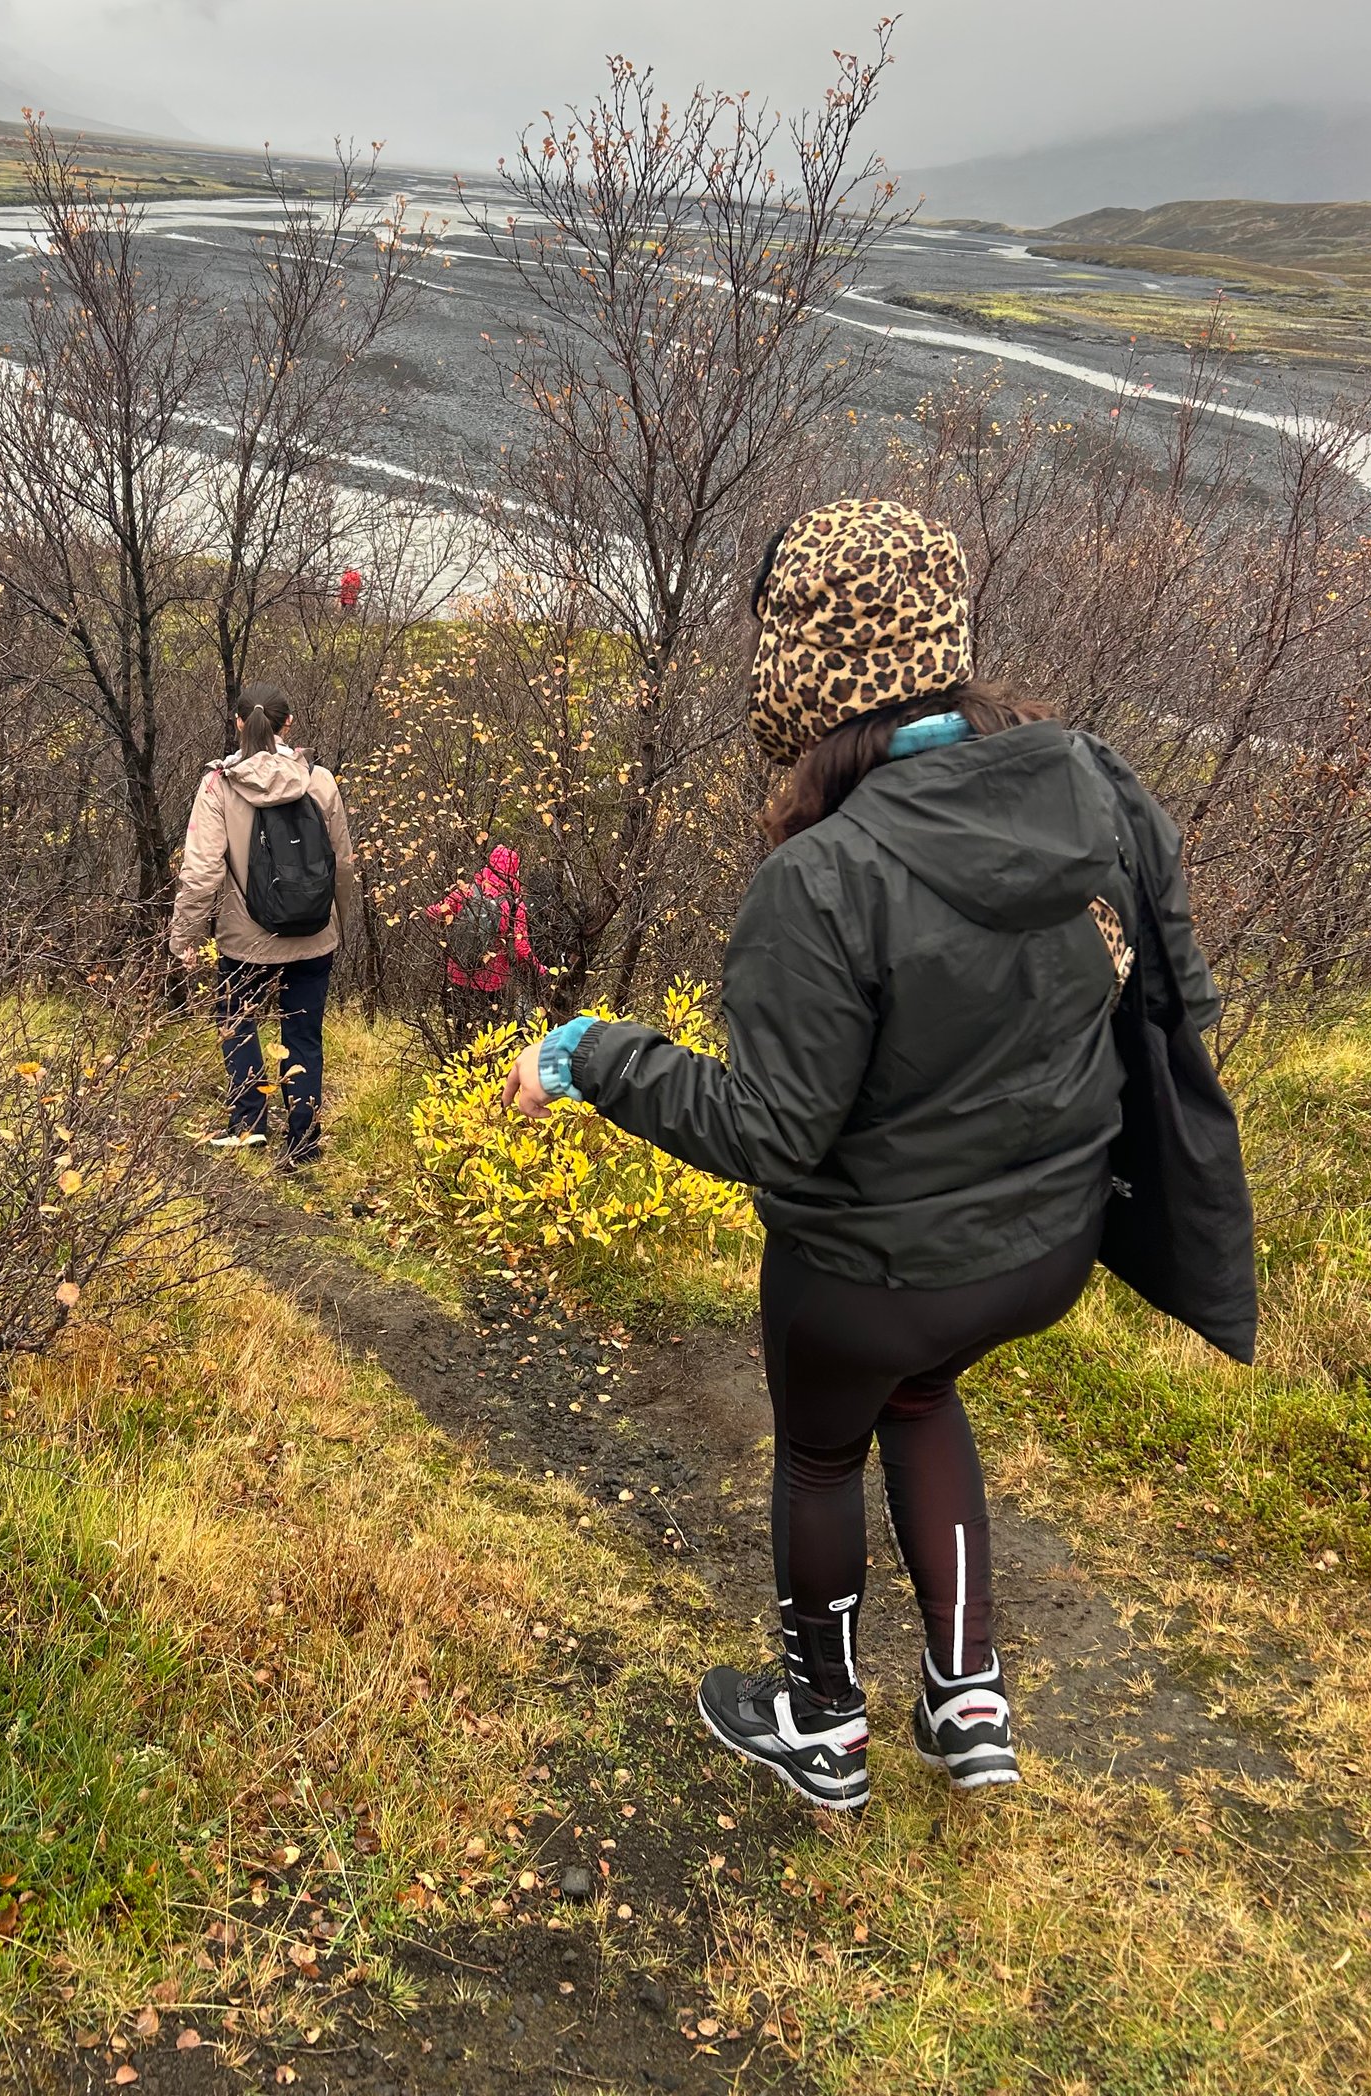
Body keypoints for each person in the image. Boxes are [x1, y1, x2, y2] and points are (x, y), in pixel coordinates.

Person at [502, 497, 1219, 1811]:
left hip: (876, 1273)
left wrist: (592, 1053)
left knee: (825, 1449)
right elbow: (1148, 999)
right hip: (1047, 1243)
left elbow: (770, 1132)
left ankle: (824, 1724)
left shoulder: (824, 878)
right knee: (927, 1394)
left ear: (808, 678)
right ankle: (968, 1699)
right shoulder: (1082, 793)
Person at [169, 683, 358, 1159]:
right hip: (315, 934)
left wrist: (185, 935)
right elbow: (344, 863)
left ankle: (249, 1122)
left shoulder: (219, 785)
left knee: (237, 1020)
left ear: (238, 723)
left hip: (245, 937)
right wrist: (340, 920)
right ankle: (304, 1141)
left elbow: (201, 872)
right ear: (287, 724)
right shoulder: (320, 781)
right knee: (303, 1033)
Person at [426, 843, 544, 1040]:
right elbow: (522, 948)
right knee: (490, 1033)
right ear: (513, 871)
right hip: (493, 981)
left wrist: (424, 912)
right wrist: (540, 969)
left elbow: (436, 913)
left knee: (461, 1028)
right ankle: (487, 1066)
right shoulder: (514, 905)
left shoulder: (467, 891)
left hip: (458, 973)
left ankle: (459, 1062)